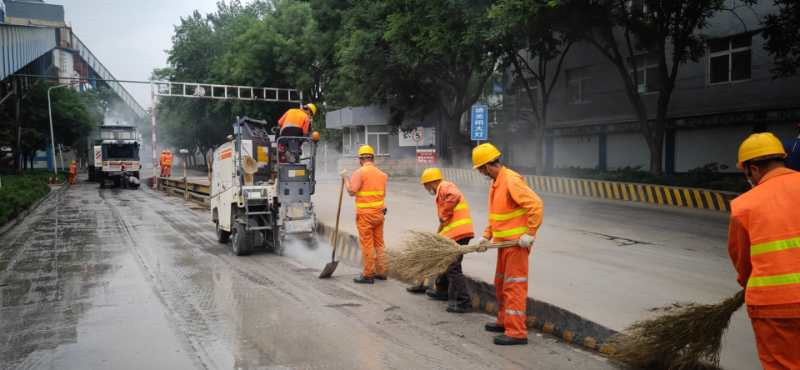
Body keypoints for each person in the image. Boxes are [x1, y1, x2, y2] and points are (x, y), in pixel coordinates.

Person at [728, 132, 800, 369]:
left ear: (753, 169)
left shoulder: (744, 206)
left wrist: (747, 282)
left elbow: (742, 260)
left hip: (775, 307)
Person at [472, 143, 543, 346]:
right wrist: (486, 236)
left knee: (514, 287)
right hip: (503, 244)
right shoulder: (496, 183)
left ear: (486, 166)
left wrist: (530, 234)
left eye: (480, 169)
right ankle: (505, 321)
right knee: (502, 284)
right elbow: (497, 216)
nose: (480, 173)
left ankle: (517, 331)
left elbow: (536, 205)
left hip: (516, 245)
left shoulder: (511, 180)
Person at [407, 167, 474, 313]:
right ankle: (442, 291)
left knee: (453, 268)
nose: (426, 189)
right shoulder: (441, 190)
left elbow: (454, 196)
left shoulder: (444, 186)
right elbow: (446, 220)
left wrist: (444, 213)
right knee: (444, 263)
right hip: (454, 234)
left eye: (426, 185)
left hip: (459, 234)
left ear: (431, 182)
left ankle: (464, 302)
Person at [341, 145, 388, 284]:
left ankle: (368, 274)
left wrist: (345, 178)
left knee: (367, 245)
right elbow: (382, 195)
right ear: (372, 158)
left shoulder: (359, 173)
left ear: (360, 159)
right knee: (379, 243)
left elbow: (351, 191)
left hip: (365, 216)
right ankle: (382, 271)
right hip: (379, 215)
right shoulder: (382, 174)